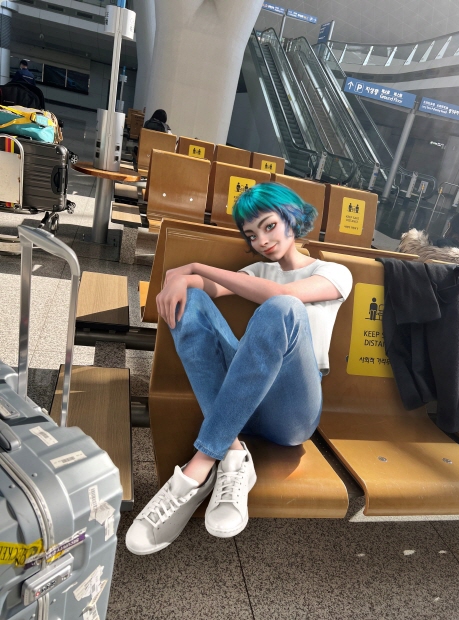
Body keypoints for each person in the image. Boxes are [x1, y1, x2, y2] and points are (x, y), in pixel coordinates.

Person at [126, 182, 353, 555]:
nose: (261, 240)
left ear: (292, 218)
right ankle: (233, 455)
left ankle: (199, 468)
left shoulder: (334, 272)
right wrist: (180, 279)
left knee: (283, 309)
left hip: (292, 411)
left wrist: (194, 265)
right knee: (192, 302)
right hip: (242, 398)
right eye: (251, 234)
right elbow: (203, 288)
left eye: (269, 226)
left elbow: (282, 297)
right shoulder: (258, 271)